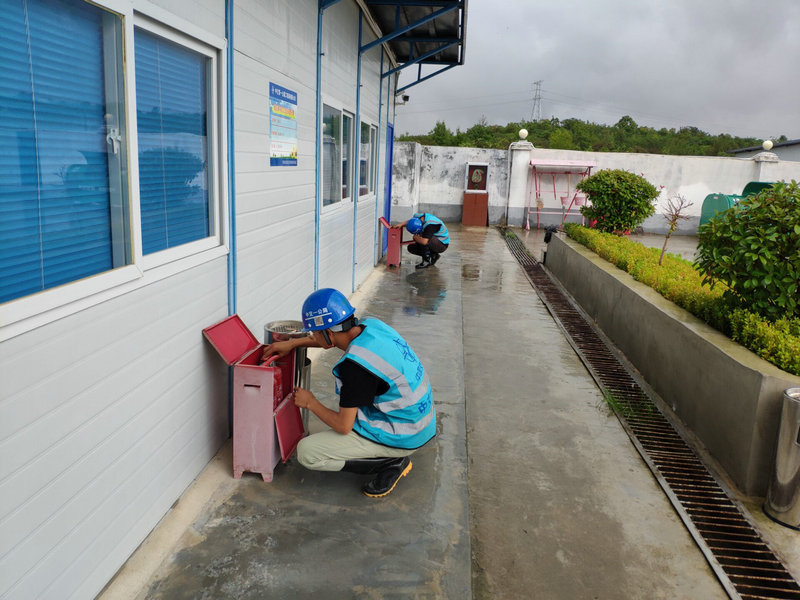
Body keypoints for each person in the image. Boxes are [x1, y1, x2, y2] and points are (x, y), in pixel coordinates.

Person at [262, 288, 435, 498]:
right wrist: (292, 343)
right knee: (351, 408)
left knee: (307, 452)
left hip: (405, 435)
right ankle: (389, 452)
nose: (312, 336)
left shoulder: (355, 368)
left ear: (328, 334)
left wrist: (310, 403)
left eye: (314, 333)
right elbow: (330, 338)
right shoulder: (371, 326)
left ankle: (392, 462)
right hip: (419, 421)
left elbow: (343, 426)